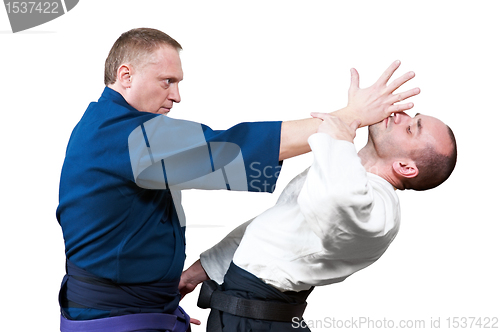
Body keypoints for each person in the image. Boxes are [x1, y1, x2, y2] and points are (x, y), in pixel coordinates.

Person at [56, 27, 419, 332]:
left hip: (141, 306)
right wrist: (346, 119)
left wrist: (185, 282)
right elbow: (228, 151)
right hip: (116, 315)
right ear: (125, 75)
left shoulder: (113, 127)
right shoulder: (123, 137)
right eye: (167, 81)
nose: (176, 95)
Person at [180, 111, 457, 331]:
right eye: (411, 116)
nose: (400, 116)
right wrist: (193, 275)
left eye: (411, 128)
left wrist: (340, 132)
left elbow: (339, 198)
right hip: (246, 314)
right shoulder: (343, 176)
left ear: (406, 168)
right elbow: (269, 231)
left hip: (257, 320)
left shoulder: (380, 212)